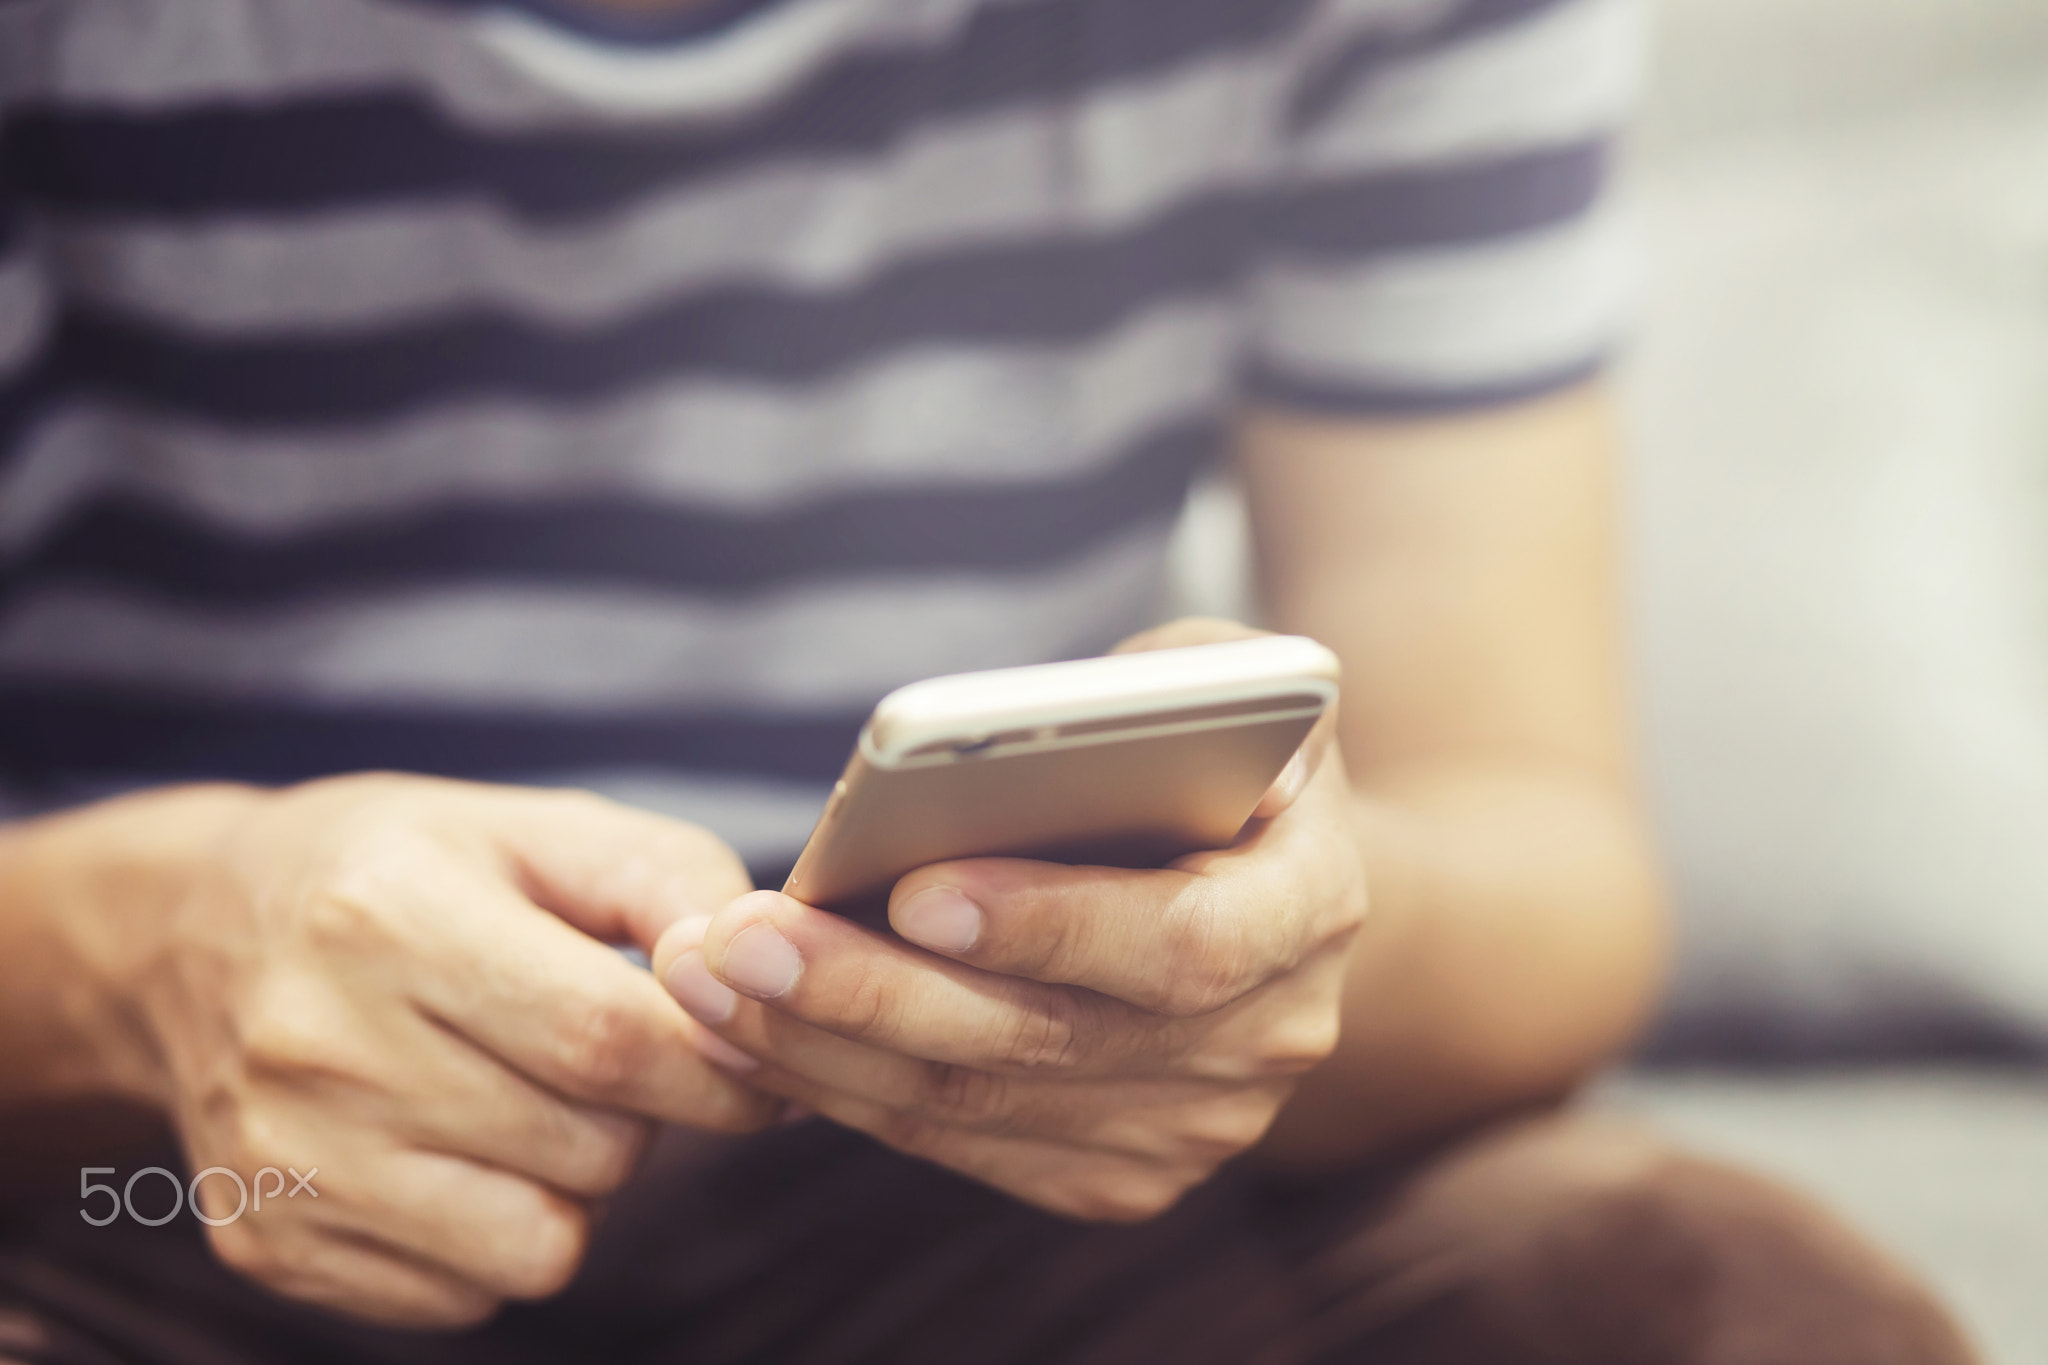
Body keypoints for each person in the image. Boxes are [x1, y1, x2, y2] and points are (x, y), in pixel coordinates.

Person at [0, 0, 1974, 1360]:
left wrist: (1263, 957)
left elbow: (1541, 850)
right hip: (151, 1170)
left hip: (968, 1184)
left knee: (1712, 1299)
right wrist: (154, 947)